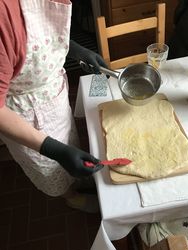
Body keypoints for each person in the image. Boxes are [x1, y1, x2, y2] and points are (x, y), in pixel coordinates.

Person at [0, 0, 108, 212]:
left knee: (69, 140)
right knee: (48, 167)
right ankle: (71, 196)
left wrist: (76, 50)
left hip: (53, 94)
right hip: (22, 116)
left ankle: (75, 179)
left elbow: (42, 30)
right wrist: (54, 150)